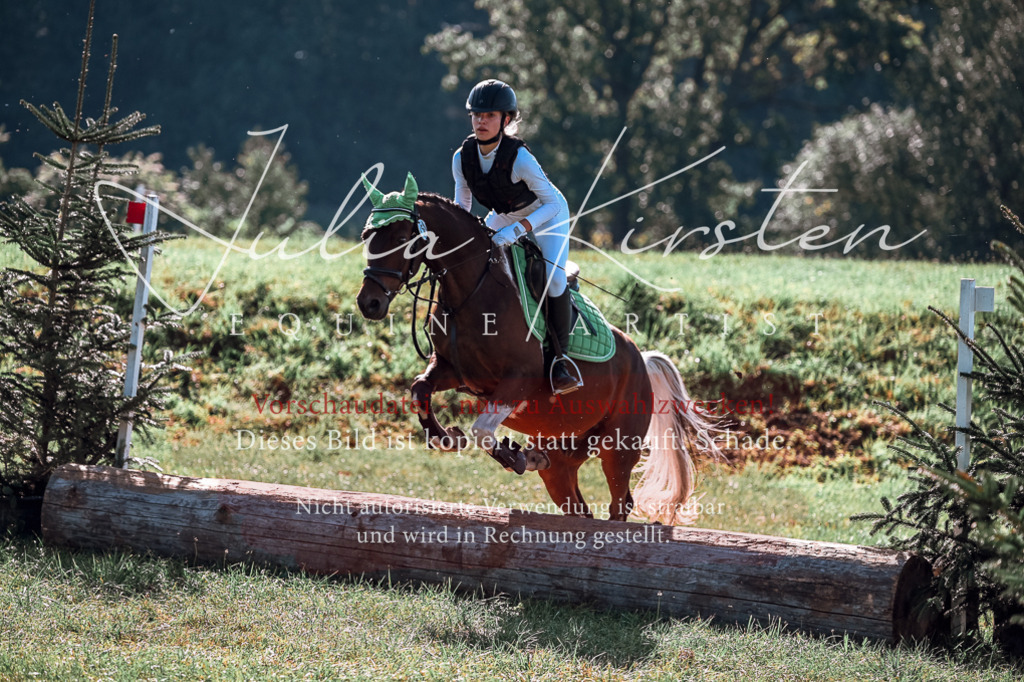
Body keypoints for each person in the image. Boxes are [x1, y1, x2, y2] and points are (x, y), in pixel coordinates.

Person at [452, 78, 583, 395]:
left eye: (491, 116)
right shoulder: (462, 157)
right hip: (506, 213)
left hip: (546, 214)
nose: (482, 122)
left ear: (506, 120)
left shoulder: (520, 158)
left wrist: (517, 230)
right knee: (478, 264)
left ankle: (559, 362)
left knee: (552, 279)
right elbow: (463, 207)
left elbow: (551, 202)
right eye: (477, 115)